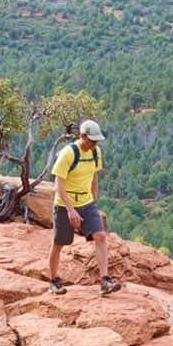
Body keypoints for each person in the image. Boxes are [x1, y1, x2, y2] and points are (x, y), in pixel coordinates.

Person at [47, 119, 121, 295]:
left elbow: (95, 177)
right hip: (65, 204)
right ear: (82, 136)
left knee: (101, 236)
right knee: (59, 243)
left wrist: (94, 201)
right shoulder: (68, 154)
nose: (95, 144)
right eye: (92, 140)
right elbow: (58, 185)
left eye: (97, 141)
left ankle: (105, 281)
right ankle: (53, 281)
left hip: (86, 202)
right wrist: (71, 209)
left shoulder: (96, 152)